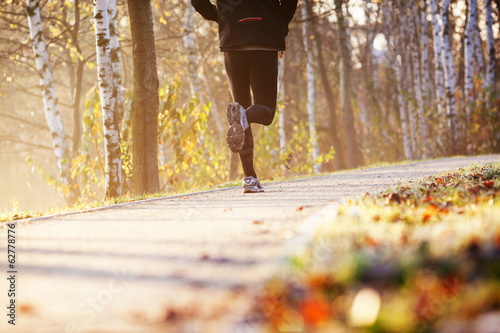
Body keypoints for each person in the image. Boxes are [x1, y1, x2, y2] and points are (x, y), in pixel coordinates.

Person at [192, 0, 298, 193]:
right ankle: (243, 117)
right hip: (265, 40)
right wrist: (279, 21)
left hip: (233, 42)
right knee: (266, 112)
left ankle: (249, 178)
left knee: (240, 111)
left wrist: (223, 17)